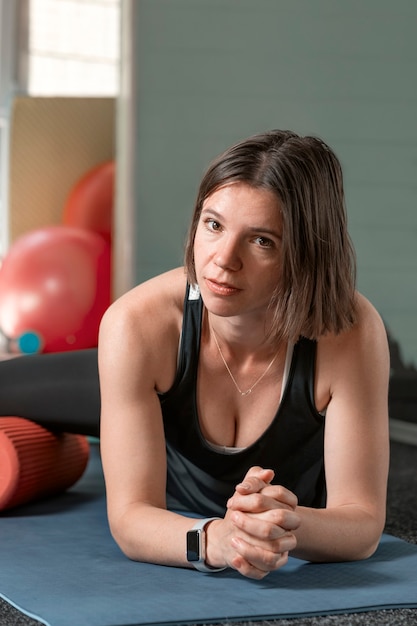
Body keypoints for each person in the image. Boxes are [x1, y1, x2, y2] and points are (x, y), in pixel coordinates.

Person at [0, 130, 390, 581]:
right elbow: (131, 517)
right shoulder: (137, 324)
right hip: (156, 369)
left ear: (305, 254)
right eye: (214, 224)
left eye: (261, 241)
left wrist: (283, 524)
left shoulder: (349, 332)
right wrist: (216, 541)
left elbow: (361, 523)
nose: (223, 259)